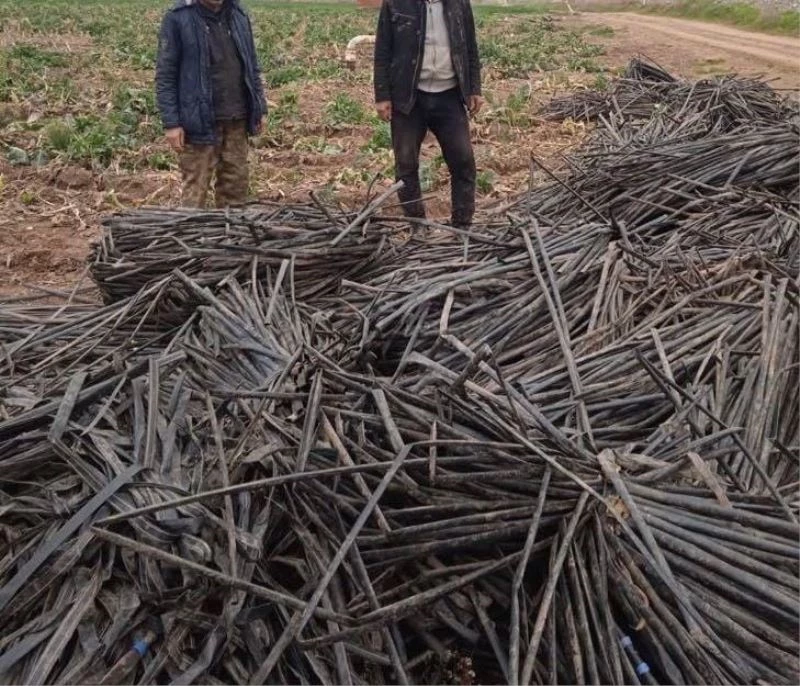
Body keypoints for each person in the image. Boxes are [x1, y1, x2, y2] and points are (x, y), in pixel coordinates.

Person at [373, 0, 483, 228]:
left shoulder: (459, 4)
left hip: (449, 95)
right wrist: (382, 95)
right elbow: (382, 50)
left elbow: (470, 46)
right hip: (408, 97)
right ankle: (417, 225)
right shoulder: (395, 4)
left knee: (463, 161)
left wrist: (474, 88)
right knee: (405, 164)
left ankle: (462, 226)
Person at [155, 0, 267, 208]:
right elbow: (166, 76)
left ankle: (229, 236)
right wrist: (171, 123)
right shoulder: (179, 17)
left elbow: (252, 66)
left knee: (235, 191)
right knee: (195, 194)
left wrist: (259, 107)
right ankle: (189, 237)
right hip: (199, 123)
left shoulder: (238, 14)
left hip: (236, 118)